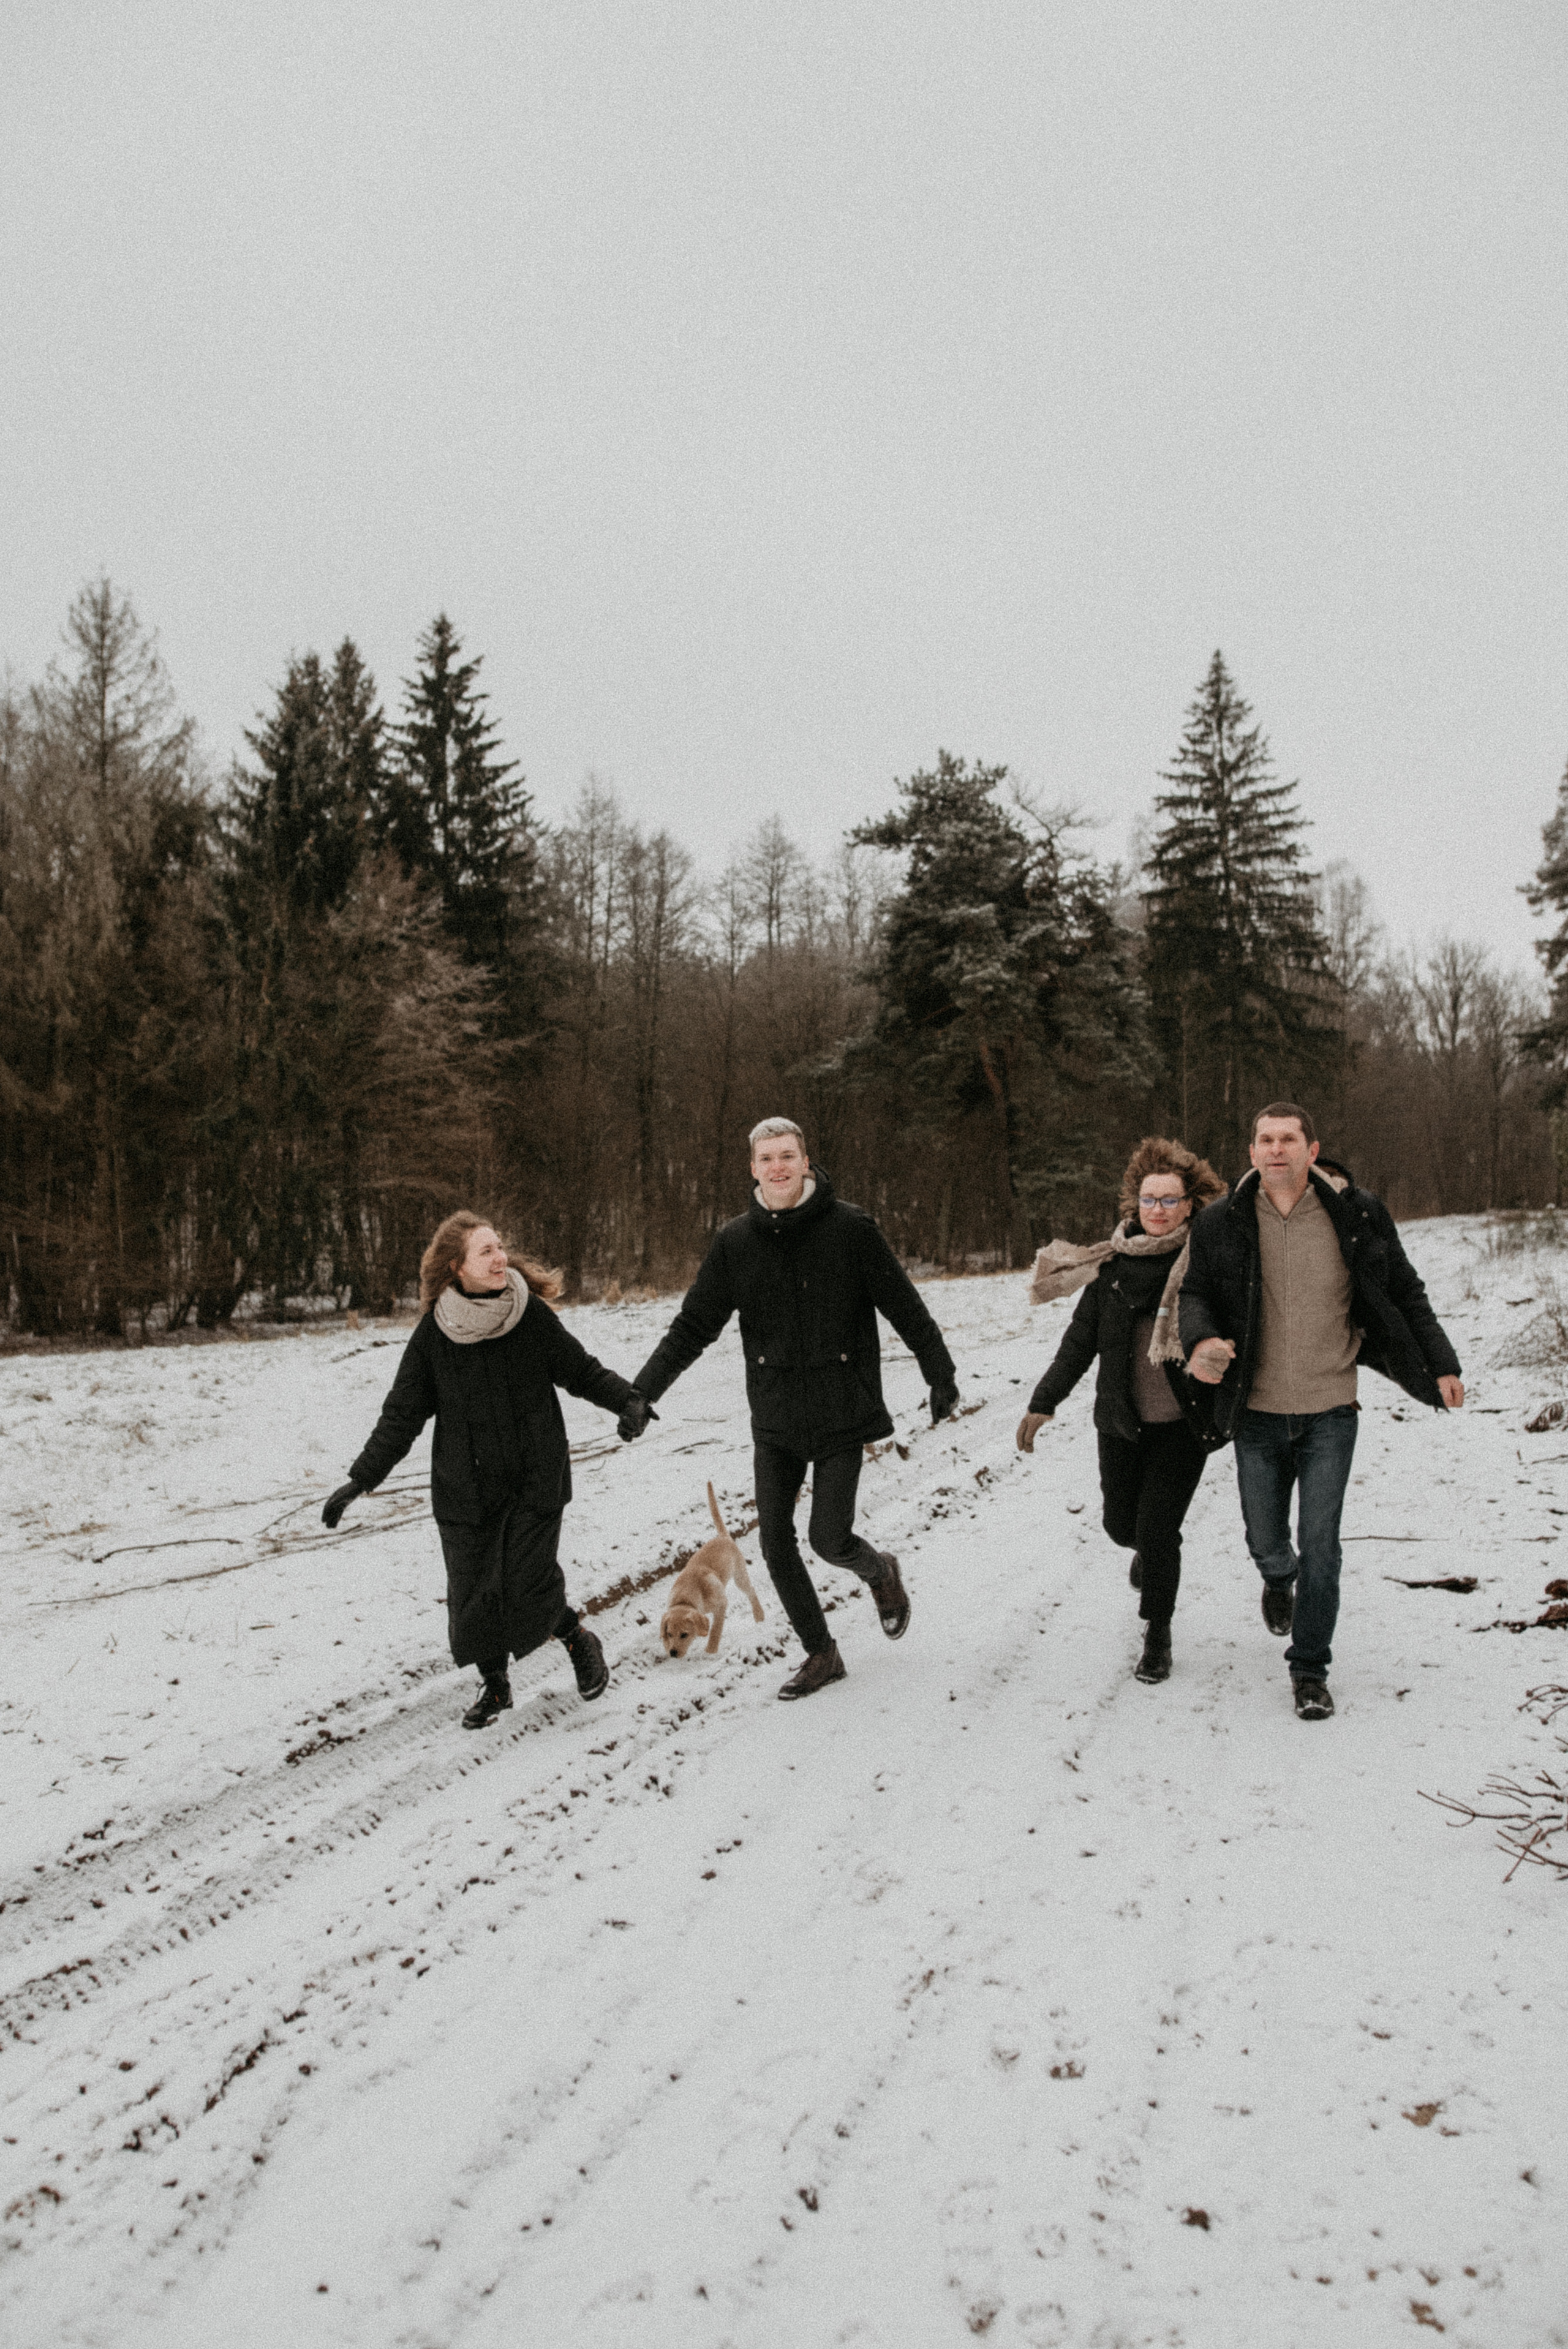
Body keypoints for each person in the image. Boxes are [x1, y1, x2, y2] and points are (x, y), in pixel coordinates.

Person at [630, 1118, 959, 1700]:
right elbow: (692, 1327)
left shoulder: (852, 1229)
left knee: (829, 1538)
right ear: (752, 1168)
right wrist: (642, 1392)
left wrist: (940, 1373)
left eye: (788, 1156)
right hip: (776, 1418)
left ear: (806, 1162)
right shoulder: (735, 1243)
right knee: (776, 1544)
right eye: (767, 1158)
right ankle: (822, 1653)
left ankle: (880, 1572)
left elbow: (905, 1305)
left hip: (842, 1411)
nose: (778, 1167)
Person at [1181, 1103, 1464, 1721]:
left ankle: (1309, 1669)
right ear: (1250, 1151)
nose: (1275, 1149)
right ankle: (1277, 1577)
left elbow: (1404, 1290)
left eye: (1288, 1139)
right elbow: (1195, 1292)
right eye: (1264, 1139)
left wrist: (1441, 1363)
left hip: (1330, 1409)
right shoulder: (1220, 1222)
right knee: (1265, 1540)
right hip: (1254, 1412)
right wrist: (1201, 1341)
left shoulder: (1356, 1215)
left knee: (1322, 1545)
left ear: (1312, 1150)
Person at [320, 1212, 653, 1729]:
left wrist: (627, 1400)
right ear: (457, 1267)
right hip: (465, 1487)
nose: (500, 1258)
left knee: (529, 1581)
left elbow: (579, 1369)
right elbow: (402, 1414)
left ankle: (577, 1638)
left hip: (534, 1477)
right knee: (474, 1593)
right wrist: (361, 1479)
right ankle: (496, 1686)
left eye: (500, 1247)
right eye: (486, 1252)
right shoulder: (435, 1334)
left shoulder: (530, 1315)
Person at [1016, 1137, 1227, 1683]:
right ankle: (1148, 1555)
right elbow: (1078, 1342)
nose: (1158, 1211)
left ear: (1190, 1204)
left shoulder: (1202, 1264)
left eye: (1169, 1201)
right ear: (1135, 1206)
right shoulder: (1110, 1269)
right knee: (1119, 1525)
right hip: (1121, 1423)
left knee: (1159, 1530)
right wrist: (1044, 1401)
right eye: (1148, 1201)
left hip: (1182, 1425)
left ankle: (1157, 1634)